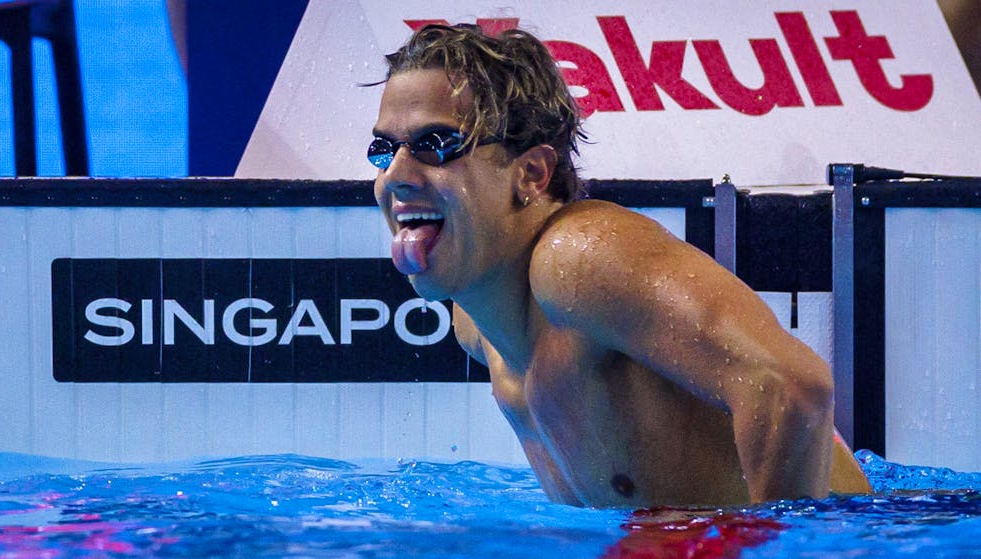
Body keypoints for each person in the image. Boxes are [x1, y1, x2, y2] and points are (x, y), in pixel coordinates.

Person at [368, 23, 870, 507]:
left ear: (532, 173)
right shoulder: (476, 324)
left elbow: (794, 387)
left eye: (436, 145)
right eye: (383, 150)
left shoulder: (578, 259)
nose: (395, 176)